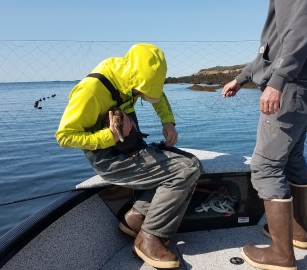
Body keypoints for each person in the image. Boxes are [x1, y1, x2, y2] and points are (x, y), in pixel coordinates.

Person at [56, 43, 202, 269]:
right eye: (141, 93)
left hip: (132, 148)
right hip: (110, 160)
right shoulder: (91, 91)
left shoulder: (127, 76)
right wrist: (111, 136)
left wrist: (168, 122)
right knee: (186, 169)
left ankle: (135, 218)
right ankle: (149, 237)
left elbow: (159, 94)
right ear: (133, 80)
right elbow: (65, 136)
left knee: (188, 163)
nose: (143, 96)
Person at [222, 1, 307, 269]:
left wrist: (277, 81)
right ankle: (297, 232)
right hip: (305, 85)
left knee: (266, 166)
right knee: (293, 158)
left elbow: (298, 31)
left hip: (291, 87)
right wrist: (242, 78)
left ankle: (281, 255)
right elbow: (272, 47)